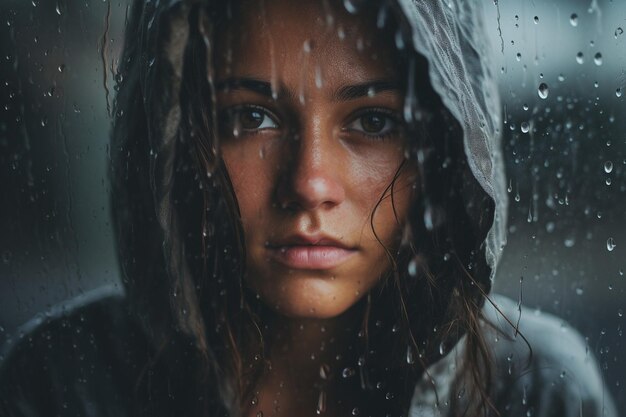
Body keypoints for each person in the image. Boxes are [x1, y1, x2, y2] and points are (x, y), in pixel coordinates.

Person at [0, 0, 617, 416]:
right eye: (251, 117)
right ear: (179, 139)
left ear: (445, 146)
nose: (310, 182)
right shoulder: (67, 381)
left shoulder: (534, 389)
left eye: (372, 120)